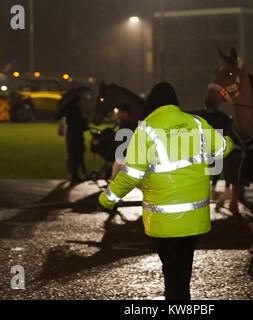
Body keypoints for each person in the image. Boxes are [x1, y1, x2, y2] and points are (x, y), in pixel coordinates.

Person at [98, 82, 233, 300]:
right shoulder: (197, 123)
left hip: (163, 220)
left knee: (171, 272)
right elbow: (222, 149)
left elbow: (130, 175)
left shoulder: (146, 130)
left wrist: (107, 199)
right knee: (184, 270)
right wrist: (229, 142)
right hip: (193, 217)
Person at [56, 92, 88, 184]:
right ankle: (76, 175)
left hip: (70, 134)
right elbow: (80, 124)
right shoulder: (76, 109)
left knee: (71, 154)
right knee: (77, 154)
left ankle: (71, 173)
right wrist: (84, 121)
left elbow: (58, 115)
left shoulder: (67, 108)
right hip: (77, 134)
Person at [110, 104, 139, 180]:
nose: (117, 114)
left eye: (119, 112)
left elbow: (122, 141)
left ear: (125, 113)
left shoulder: (126, 123)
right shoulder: (134, 122)